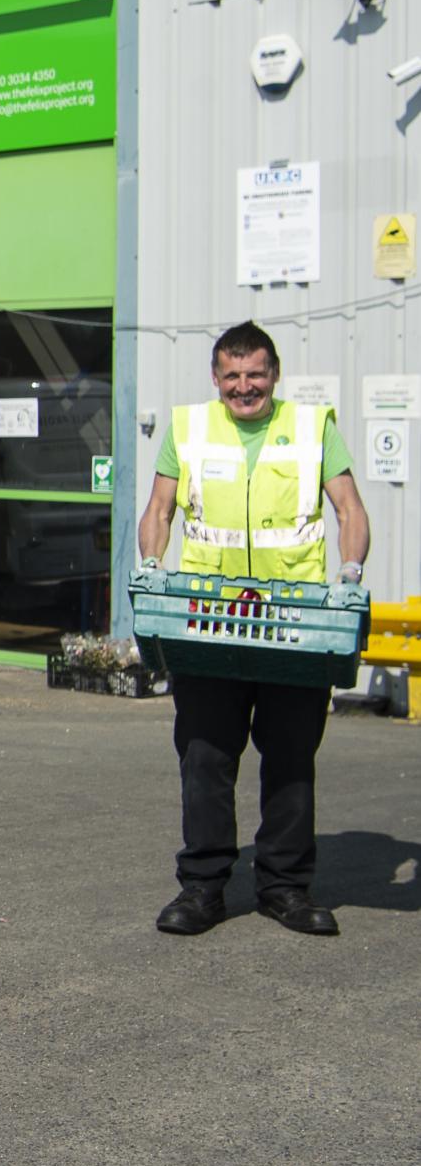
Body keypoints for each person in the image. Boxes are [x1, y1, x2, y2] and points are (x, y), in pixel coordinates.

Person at [137, 321, 368, 937]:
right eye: (232, 375)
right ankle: (203, 889)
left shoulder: (313, 429)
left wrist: (349, 571)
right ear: (216, 378)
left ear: (274, 375)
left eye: (255, 374)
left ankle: (285, 889)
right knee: (205, 759)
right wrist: (152, 568)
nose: (245, 386)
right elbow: (159, 510)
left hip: (294, 625)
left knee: (291, 759)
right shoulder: (187, 430)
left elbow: (350, 509)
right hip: (209, 625)